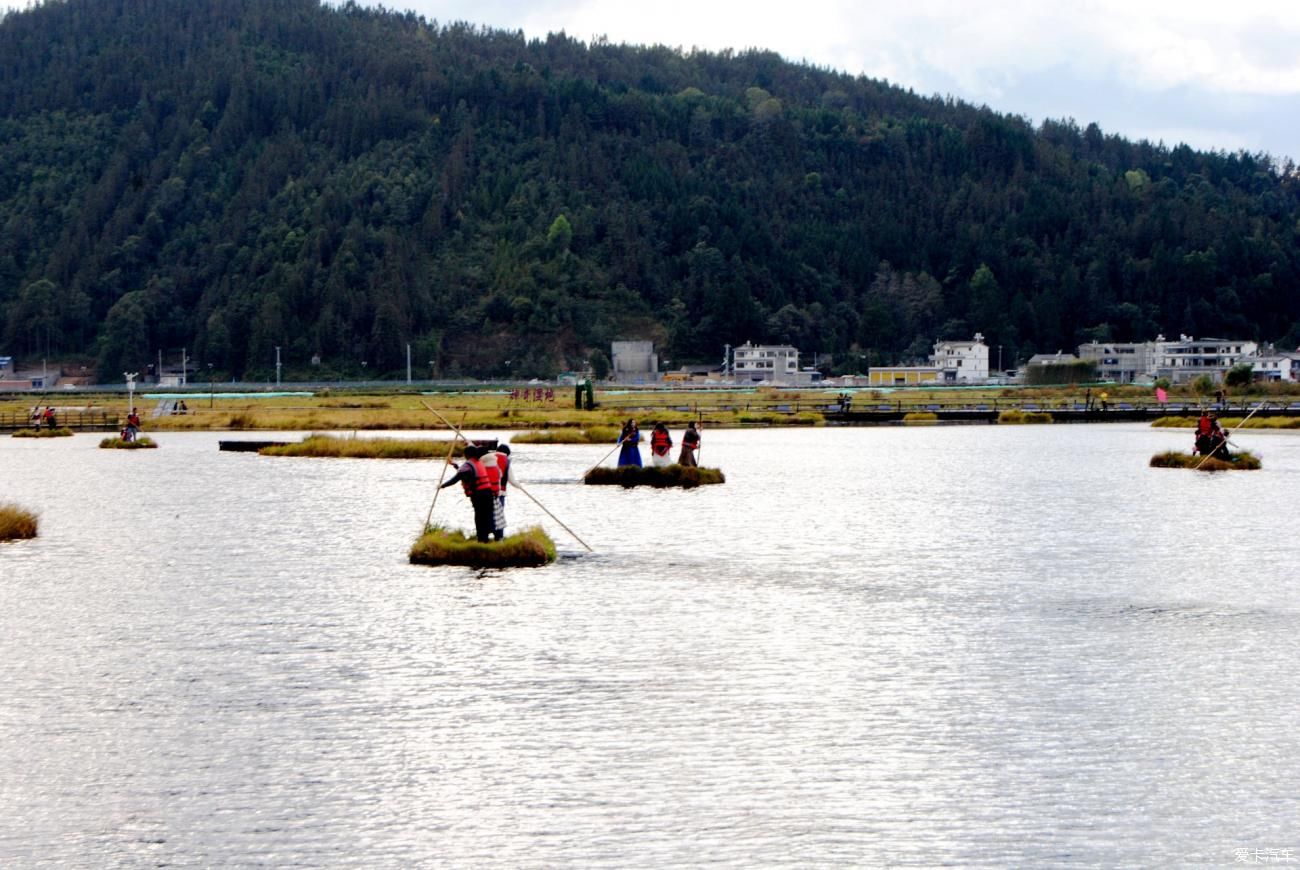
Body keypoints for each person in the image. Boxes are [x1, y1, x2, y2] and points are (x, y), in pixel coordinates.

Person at [439, 444, 498, 543]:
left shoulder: (468, 464)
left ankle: (481, 540)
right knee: (486, 517)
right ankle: (485, 539)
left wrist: (442, 486)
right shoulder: (478, 463)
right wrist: (454, 464)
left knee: (479, 518)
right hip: (488, 494)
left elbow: (456, 478)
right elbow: (464, 473)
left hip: (479, 495)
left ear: (467, 455)